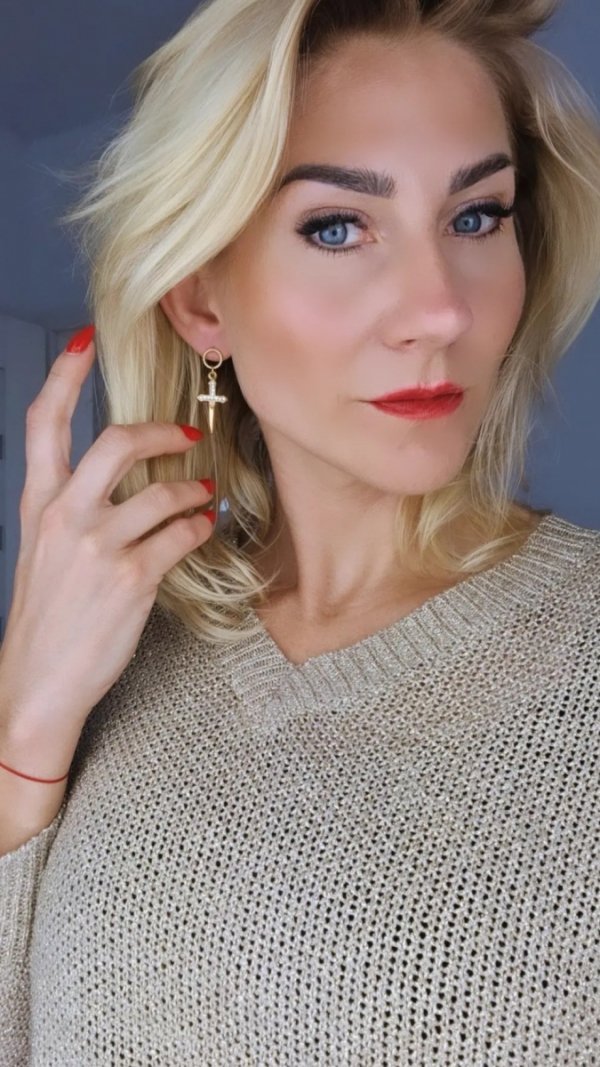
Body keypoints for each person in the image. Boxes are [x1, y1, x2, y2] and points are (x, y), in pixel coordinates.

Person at [1, 0, 599, 1062]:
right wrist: (24, 729)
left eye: (477, 217)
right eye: (337, 227)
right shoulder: (117, 652)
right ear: (200, 300)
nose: (441, 309)